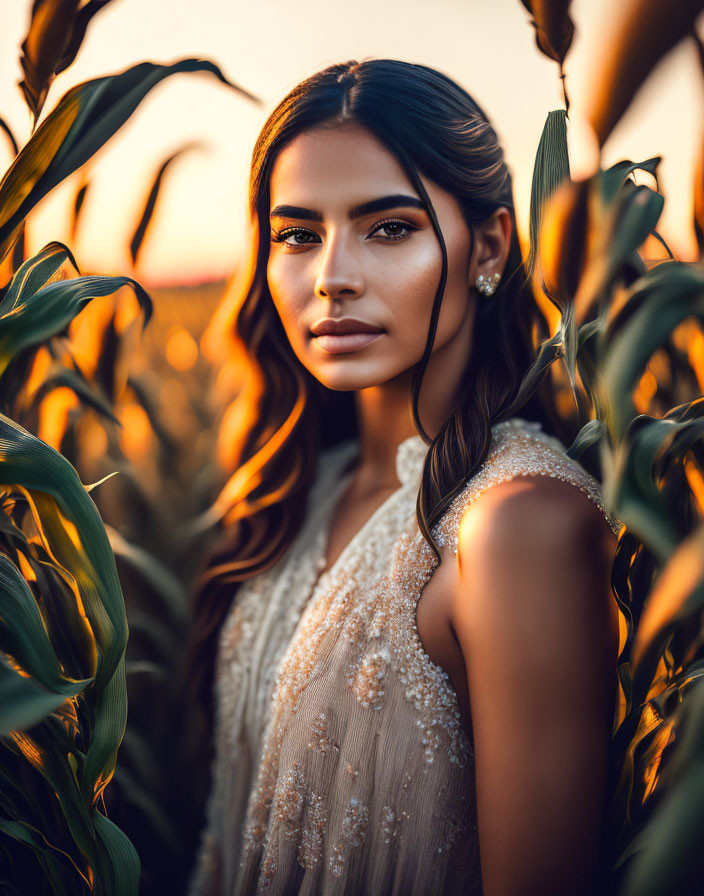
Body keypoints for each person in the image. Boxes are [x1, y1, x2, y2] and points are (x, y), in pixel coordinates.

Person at [184, 58, 621, 896]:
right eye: (298, 234)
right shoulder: (304, 490)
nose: (331, 277)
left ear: (487, 246)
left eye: (387, 227)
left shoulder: (517, 523)